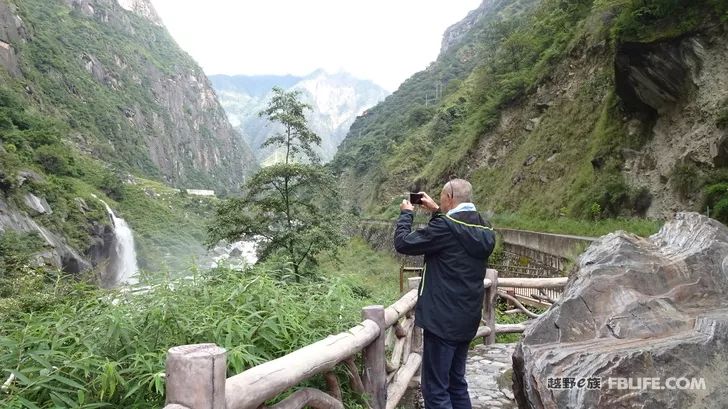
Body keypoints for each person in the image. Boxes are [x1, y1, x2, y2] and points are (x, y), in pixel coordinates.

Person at [394, 179, 495, 409]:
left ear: (449, 197)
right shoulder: (485, 228)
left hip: (442, 321)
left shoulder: (445, 228)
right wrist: (437, 211)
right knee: (456, 383)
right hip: (467, 318)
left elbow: (403, 243)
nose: (438, 200)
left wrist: (406, 215)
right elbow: (456, 230)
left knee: (436, 390)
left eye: (440, 197)